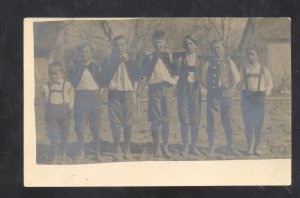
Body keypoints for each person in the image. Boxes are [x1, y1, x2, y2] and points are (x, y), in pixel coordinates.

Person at [140, 30, 179, 158]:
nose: (158, 44)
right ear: (152, 42)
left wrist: (173, 83)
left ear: (165, 42)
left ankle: (166, 146)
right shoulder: (149, 56)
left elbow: (176, 71)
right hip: (154, 88)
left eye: (161, 41)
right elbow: (143, 73)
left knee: (166, 118)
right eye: (156, 41)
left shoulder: (169, 55)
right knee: (155, 119)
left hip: (167, 88)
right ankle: (156, 146)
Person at [100, 35, 138, 161]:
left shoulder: (133, 61)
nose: (120, 47)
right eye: (117, 45)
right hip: (114, 94)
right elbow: (103, 77)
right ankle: (117, 149)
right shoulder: (108, 61)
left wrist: (137, 87)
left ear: (126, 46)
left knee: (128, 123)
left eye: (122, 44)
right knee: (115, 123)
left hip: (128, 93)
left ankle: (127, 149)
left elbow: (141, 76)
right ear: (114, 47)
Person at [201, 39, 240, 155]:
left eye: (218, 47)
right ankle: (212, 145)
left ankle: (230, 145)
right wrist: (210, 89)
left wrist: (231, 88)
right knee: (212, 120)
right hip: (213, 95)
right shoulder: (208, 62)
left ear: (223, 49)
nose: (216, 50)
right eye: (214, 48)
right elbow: (202, 79)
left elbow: (237, 77)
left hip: (227, 94)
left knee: (228, 120)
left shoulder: (229, 61)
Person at [69, 43, 103, 162]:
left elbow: (102, 81)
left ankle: (97, 152)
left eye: (87, 52)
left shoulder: (97, 66)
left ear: (91, 54)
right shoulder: (74, 66)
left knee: (96, 128)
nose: (84, 54)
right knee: (80, 127)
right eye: (82, 52)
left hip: (95, 98)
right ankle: (80, 151)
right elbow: (69, 83)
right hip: (80, 98)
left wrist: (99, 94)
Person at [239, 48, 273, 155]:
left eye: (253, 54)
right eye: (248, 54)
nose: (250, 57)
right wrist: (242, 93)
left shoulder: (263, 69)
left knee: (258, 123)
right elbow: (239, 83)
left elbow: (270, 84)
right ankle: (250, 145)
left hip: (259, 98)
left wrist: (264, 94)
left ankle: (258, 146)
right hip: (247, 98)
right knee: (248, 123)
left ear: (258, 56)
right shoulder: (244, 69)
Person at [174, 34, 202, 156]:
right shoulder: (180, 58)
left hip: (195, 90)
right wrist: (178, 65)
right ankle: (185, 145)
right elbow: (174, 74)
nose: (188, 46)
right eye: (186, 44)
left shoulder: (201, 59)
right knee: (184, 118)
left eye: (191, 43)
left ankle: (194, 146)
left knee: (195, 119)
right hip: (183, 90)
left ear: (196, 45)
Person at [42, 62, 74, 164]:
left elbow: (71, 98)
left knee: (64, 134)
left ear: (62, 73)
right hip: (51, 113)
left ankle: (63, 155)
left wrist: (69, 108)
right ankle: (54, 156)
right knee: (53, 135)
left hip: (64, 112)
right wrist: (47, 111)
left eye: (55, 73)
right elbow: (45, 100)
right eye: (51, 74)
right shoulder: (46, 86)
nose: (53, 76)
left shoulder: (67, 85)